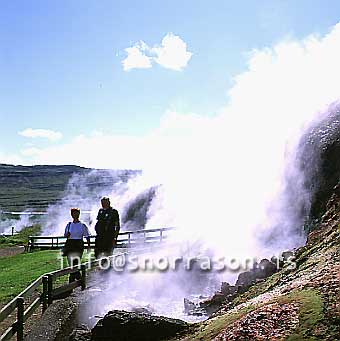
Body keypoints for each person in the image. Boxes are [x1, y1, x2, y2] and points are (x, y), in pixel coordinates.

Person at [63, 208, 91, 282]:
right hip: (70, 244)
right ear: (71, 215)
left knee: (76, 261)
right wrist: (67, 234)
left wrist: (88, 246)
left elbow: (87, 236)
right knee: (71, 262)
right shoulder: (69, 225)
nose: (75, 215)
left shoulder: (82, 225)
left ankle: (72, 280)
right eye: (74, 213)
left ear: (79, 214)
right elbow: (65, 235)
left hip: (78, 244)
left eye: (77, 213)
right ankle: (79, 279)